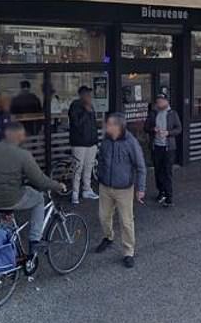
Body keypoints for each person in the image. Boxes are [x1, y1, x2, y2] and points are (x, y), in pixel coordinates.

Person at [0, 121, 66, 255]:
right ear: (16, 136)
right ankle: (34, 241)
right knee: (38, 199)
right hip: (11, 199)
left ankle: (7, 255)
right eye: (21, 135)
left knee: (7, 224)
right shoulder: (23, 155)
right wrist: (57, 185)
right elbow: (39, 180)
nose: (23, 138)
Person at [95, 113, 146, 268]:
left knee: (126, 221)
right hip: (105, 187)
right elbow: (101, 159)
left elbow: (141, 167)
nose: (106, 126)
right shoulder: (105, 141)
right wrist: (100, 175)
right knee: (103, 217)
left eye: (109, 124)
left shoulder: (131, 143)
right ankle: (108, 237)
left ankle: (128, 252)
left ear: (117, 127)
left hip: (124, 189)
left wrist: (141, 188)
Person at [144, 93, 182, 207]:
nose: (159, 103)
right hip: (156, 147)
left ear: (166, 102)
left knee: (167, 172)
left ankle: (169, 197)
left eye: (161, 101)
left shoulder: (172, 114)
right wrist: (152, 129)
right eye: (158, 101)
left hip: (168, 148)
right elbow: (145, 127)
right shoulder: (153, 113)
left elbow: (179, 128)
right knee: (158, 171)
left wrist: (168, 133)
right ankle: (161, 192)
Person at [68, 86, 99, 205]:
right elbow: (76, 124)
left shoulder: (91, 107)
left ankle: (87, 189)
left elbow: (93, 124)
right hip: (79, 143)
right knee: (78, 168)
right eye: (87, 94)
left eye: (90, 94)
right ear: (81, 95)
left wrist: (96, 140)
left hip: (91, 142)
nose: (89, 96)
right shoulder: (75, 106)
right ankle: (75, 193)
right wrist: (86, 111)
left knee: (89, 167)